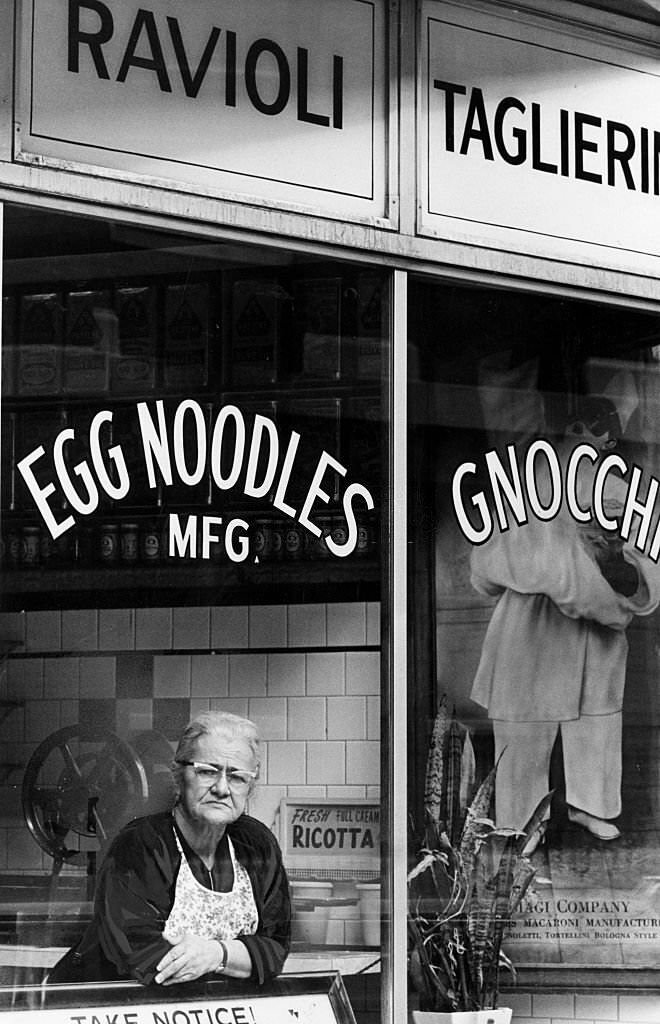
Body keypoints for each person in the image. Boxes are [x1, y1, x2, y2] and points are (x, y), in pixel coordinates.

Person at [469, 397, 660, 848]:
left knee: (596, 721)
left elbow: (642, 561)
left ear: (609, 441)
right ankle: (520, 820)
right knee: (523, 723)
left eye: (589, 428)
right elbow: (491, 559)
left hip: (594, 630)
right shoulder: (530, 484)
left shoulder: (618, 488)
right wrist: (560, 565)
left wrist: (611, 562)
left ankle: (590, 806)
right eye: (571, 425)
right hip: (531, 621)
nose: (577, 433)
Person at [49, 711, 290, 986]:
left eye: (237, 777)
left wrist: (215, 954)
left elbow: (275, 950)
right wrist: (239, 957)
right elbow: (143, 959)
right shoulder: (141, 845)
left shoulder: (257, 844)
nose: (222, 788)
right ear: (179, 774)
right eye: (207, 772)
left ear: (250, 785)